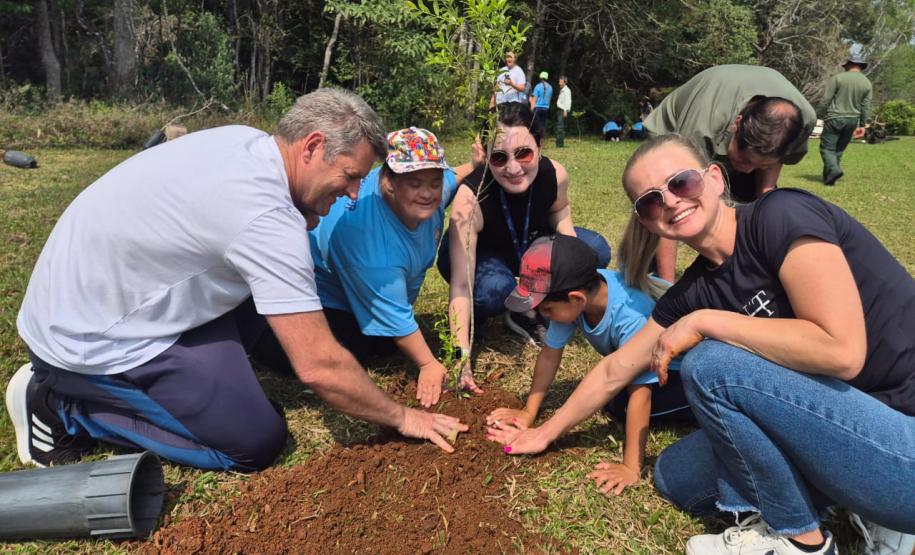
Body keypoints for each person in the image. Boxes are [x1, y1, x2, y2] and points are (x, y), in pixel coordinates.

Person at [489, 134, 915, 554]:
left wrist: (707, 322)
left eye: (681, 182)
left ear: (714, 178)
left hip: (903, 436)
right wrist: (544, 430)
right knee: (676, 478)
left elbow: (841, 352)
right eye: (651, 200)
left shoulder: (780, 216)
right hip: (841, 422)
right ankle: (854, 496)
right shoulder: (695, 290)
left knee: (710, 366)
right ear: (645, 219)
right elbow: (616, 368)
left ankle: (799, 539)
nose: (671, 201)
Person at [6, 89, 469, 472]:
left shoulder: (246, 141)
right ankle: (61, 407)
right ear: (310, 146)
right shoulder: (265, 218)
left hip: (118, 293)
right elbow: (320, 368)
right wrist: (401, 416)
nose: (353, 193)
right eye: (350, 176)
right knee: (254, 443)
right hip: (89, 338)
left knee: (272, 339)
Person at [486, 233, 690, 495]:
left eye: (546, 309)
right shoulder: (573, 295)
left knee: (620, 405)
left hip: (682, 374)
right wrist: (528, 411)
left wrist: (630, 467)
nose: (541, 315)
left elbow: (640, 393)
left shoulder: (631, 317)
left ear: (576, 299)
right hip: (641, 366)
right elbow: (550, 354)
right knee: (608, 397)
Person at [307, 127, 481, 407]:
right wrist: (428, 364)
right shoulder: (370, 246)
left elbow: (449, 179)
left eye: (432, 182)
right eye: (414, 183)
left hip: (374, 276)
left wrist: (474, 165)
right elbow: (395, 315)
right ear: (388, 181)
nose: (427, 193)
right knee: (361, 350)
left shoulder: (433, 190)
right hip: (327, 293)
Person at [436, 102, 610, 371]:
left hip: (527, 243)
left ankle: (530, 310)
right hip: (481, 255)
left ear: (539, 145)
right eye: (499, 157)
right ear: (486, 156)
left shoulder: (555, 175)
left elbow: (560, 210)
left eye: (524, 153)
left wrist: (573, 266)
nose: (513, 168)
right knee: (494, 291)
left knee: (594, 250)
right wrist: (460, 358)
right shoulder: (469, 202)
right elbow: (461, 285)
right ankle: (495, 312)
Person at [644, 64, 817, 282]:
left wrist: (765, 196)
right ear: (736, 125)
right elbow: (671, 205)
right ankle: (652, 275)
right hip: (676, 128)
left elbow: (771, 164)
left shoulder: (801, 120)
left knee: (746, 209)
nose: (747, 170)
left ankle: (737, 274)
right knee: (673, 208)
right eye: (744, 160)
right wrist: (666, 286)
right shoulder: (701, 127)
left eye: (760, 165)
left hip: (738, 136)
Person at [819, 54, 873, 186]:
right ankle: (830, 178)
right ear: (861, 67)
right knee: (838, 150)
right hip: (852, 120)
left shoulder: (838, 78)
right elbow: (866, 106)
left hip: (835, 117)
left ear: (849, 64)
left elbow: (826, 99)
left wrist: (819, 115)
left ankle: (835, 170)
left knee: (826, 149)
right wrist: (862, 125)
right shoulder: (867, 83)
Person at [555, 76, 571, 148]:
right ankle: (558, 144)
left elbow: (568, 101)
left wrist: (565, 110)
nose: (559, 82)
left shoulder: (566, 90)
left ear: (565, 82)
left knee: (560, 128)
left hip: (562, 110)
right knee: (559, 127)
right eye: (559, 81)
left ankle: (560, 145)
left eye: (561, 81)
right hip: (560, 110)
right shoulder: (562, 90)